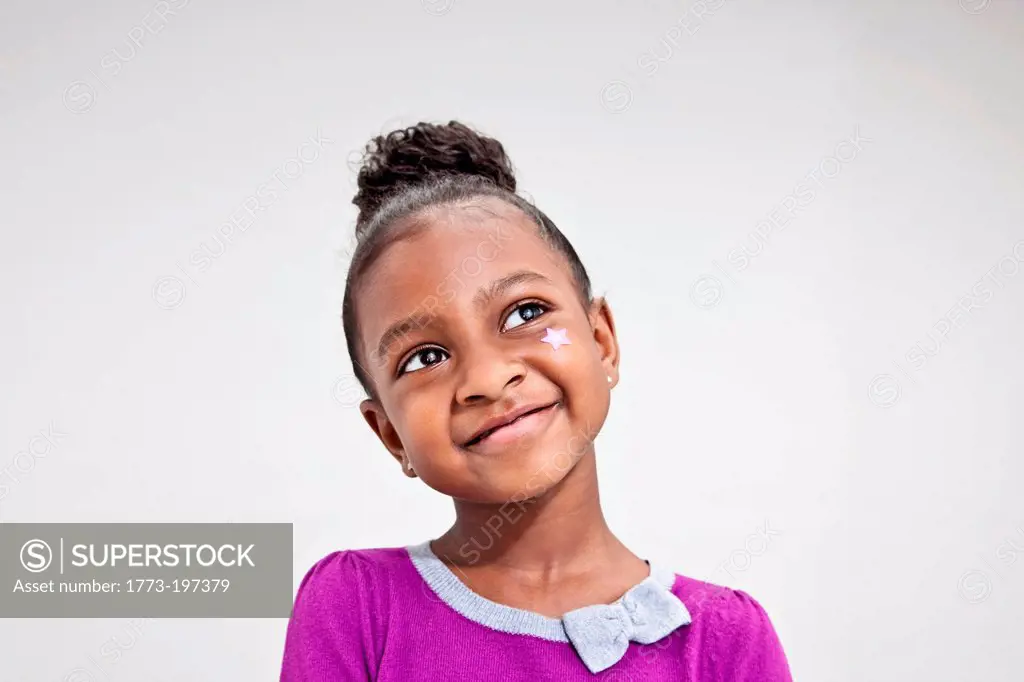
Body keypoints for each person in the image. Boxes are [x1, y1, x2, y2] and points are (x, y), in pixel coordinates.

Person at [279, 120, 793, 680]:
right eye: (425, 357)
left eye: (525, 314)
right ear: (390, 435)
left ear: (602, 342)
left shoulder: (725, 640)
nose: (488, 377)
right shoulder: (356, 606)